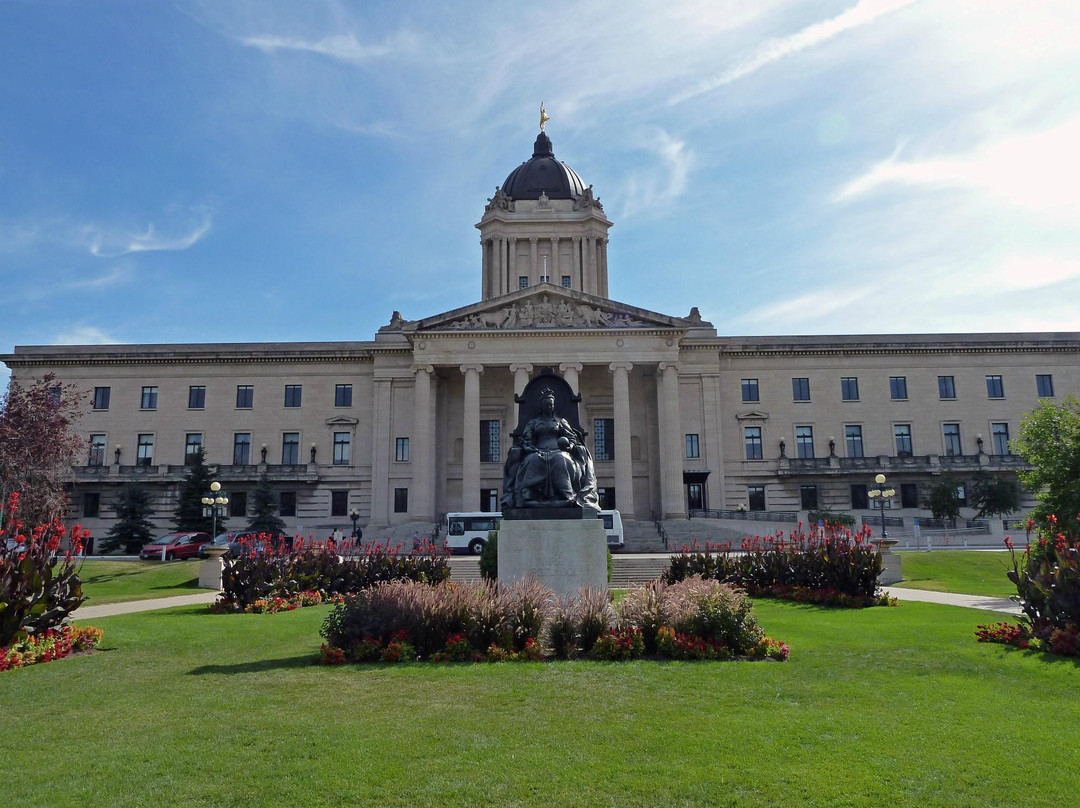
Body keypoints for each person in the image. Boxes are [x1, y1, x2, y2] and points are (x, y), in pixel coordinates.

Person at [504, 388, 598, 509]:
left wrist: (568, 445)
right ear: (541, 406)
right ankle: (529, 494)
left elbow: (572, 438)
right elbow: (526, 440)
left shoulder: (561, 422)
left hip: (559, 450)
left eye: (551, 404)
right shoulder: (534, 423)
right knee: (533, 460)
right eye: (547, 404)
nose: (549, 406)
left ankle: (566, 493)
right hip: (537, 450)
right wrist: (529, 448)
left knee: (561, 459)